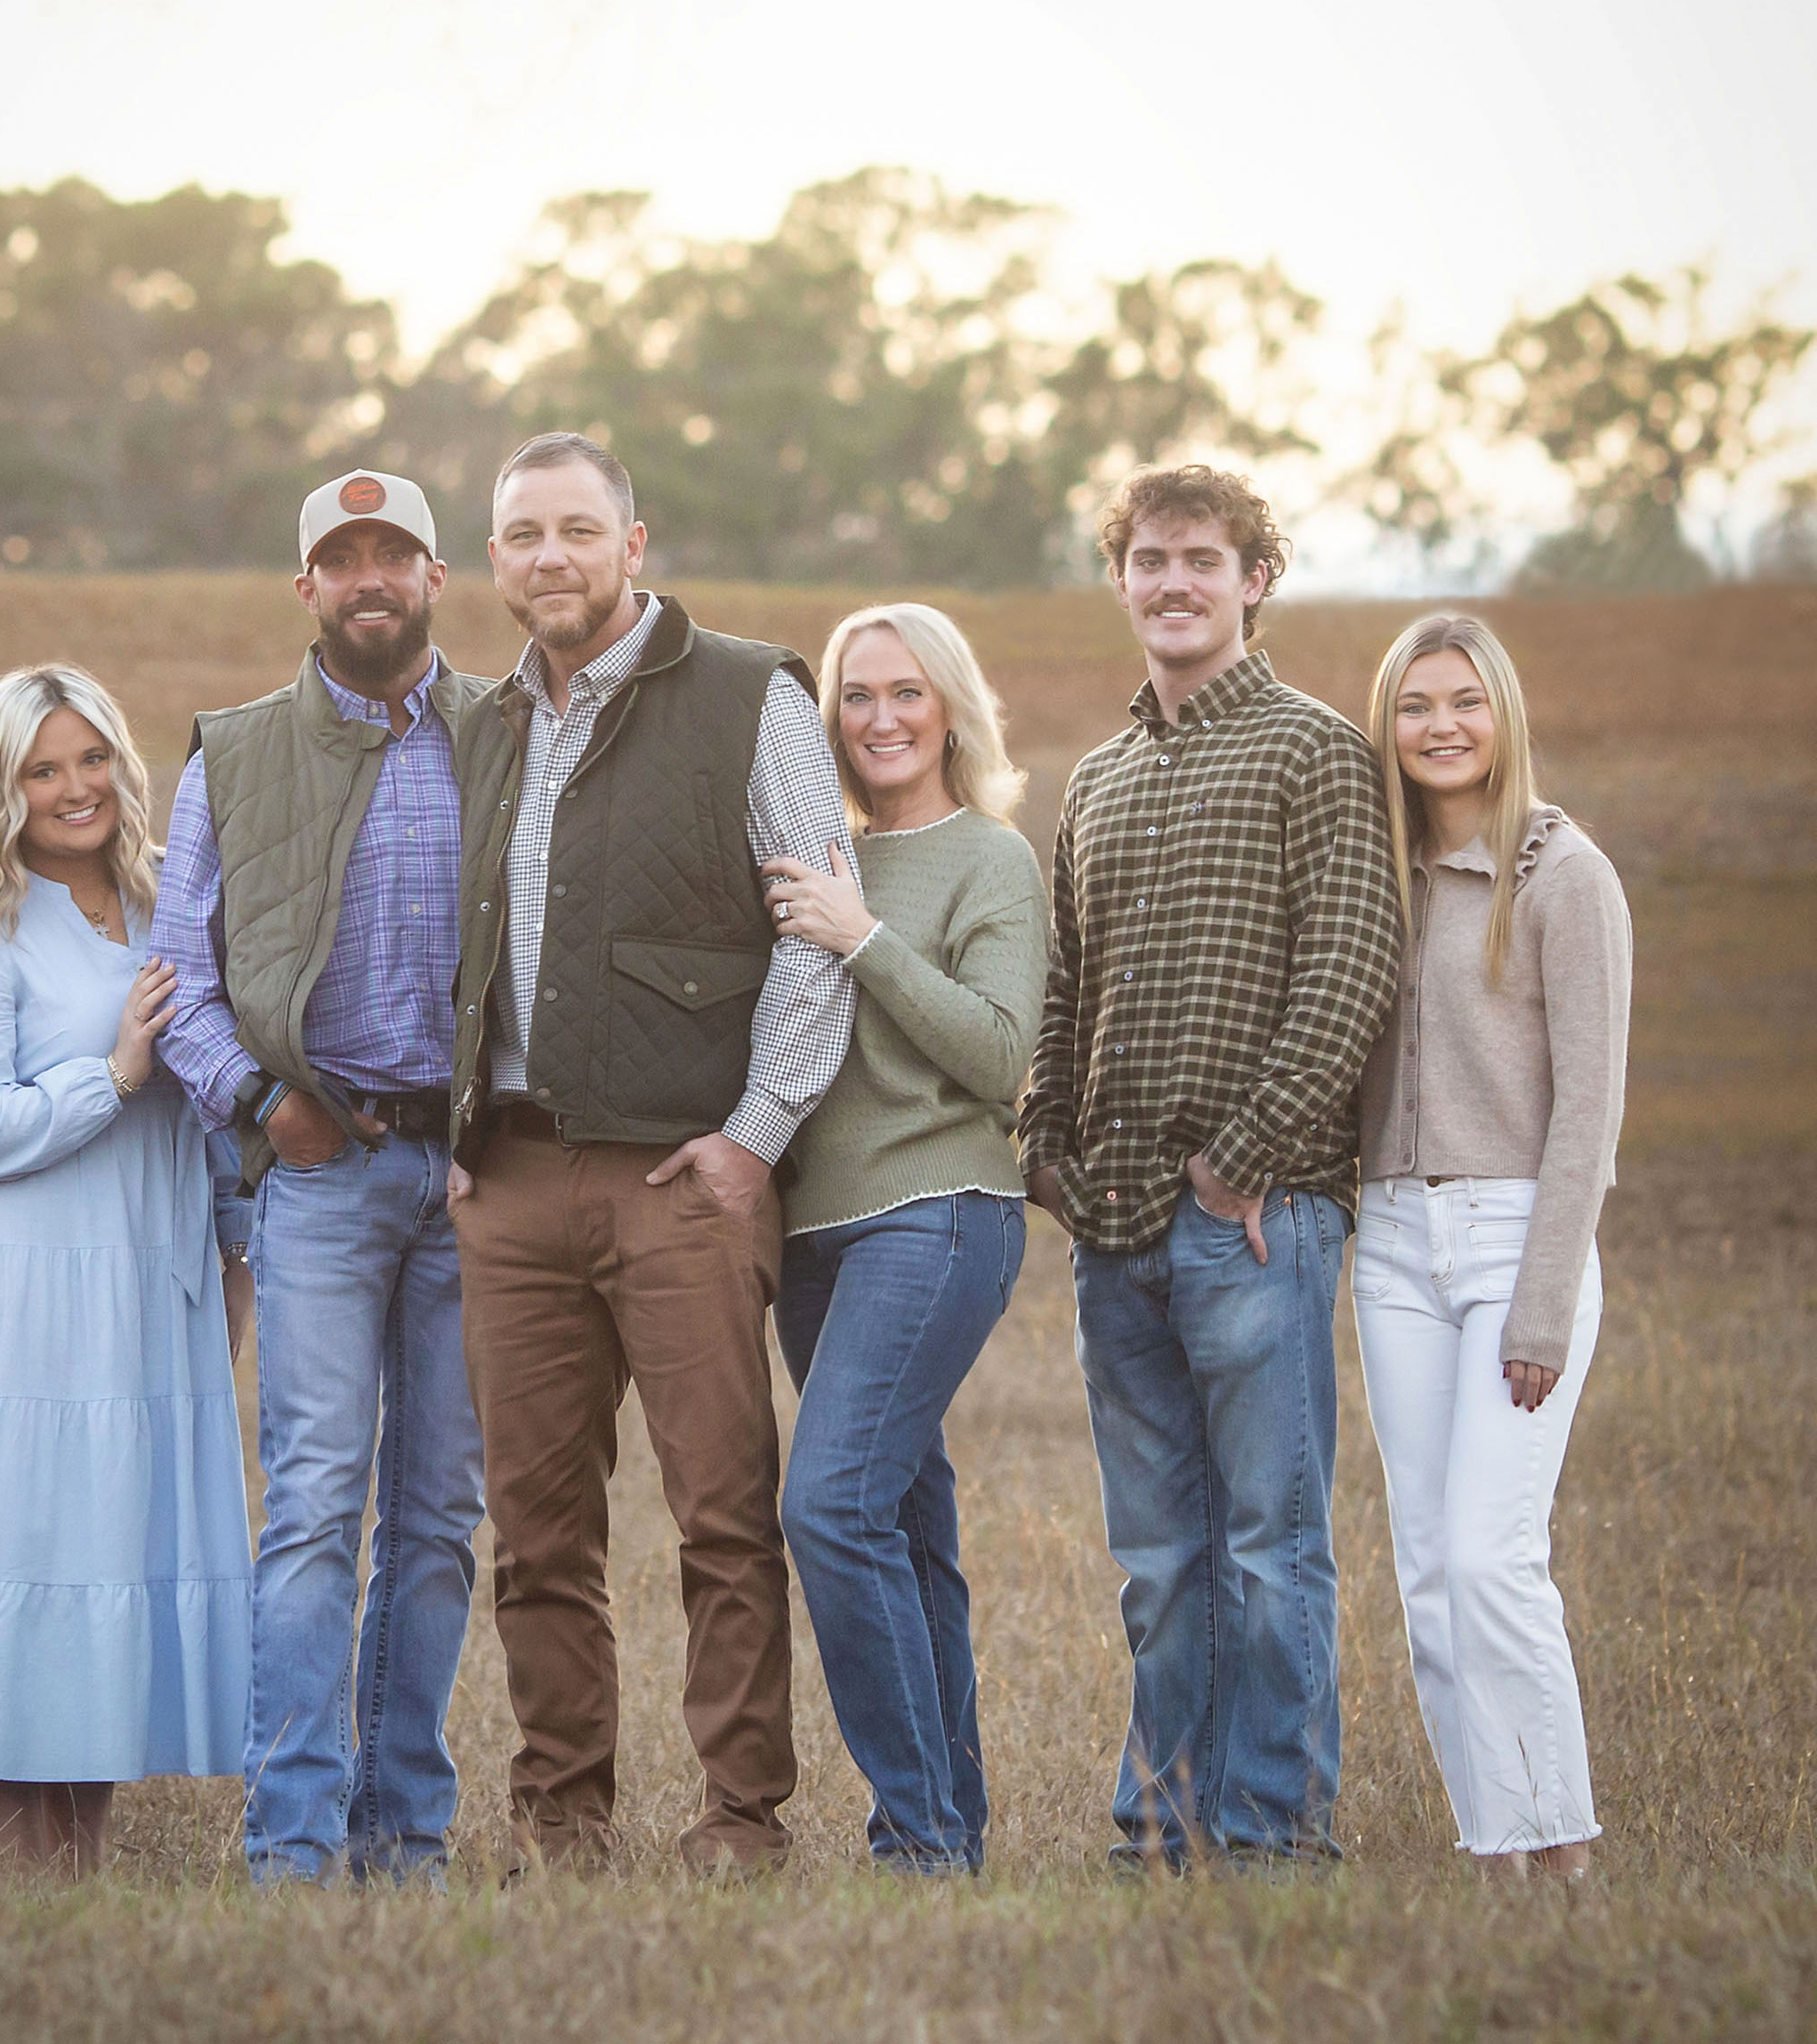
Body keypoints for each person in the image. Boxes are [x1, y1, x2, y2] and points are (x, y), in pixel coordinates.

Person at [445, 432, 857, 1876]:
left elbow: (818, 917)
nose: (550, 556)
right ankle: (561, 1820)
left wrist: (753, 1139)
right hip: (507, 1180)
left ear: (633, 544)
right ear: (495, 560)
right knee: (535, 1531)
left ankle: (741, 1818)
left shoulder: (749, 692)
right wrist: (449, 1115)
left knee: (723, 1516)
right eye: (523, 534)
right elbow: (447, 937)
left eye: (577, 529)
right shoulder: (482, 722)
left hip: (682, 1180)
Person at [1018, 465, 1402, 1869]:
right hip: (1113, 1222)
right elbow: (1066, 985)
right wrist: (1045, 1149)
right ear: (1122, 578)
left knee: (1269, 1546)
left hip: (1255, 1218)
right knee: (1162, 1562)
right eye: (1150, 559)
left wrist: (1239, 1166)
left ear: (1255, 579)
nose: (1173, 583)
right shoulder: (1100, 778)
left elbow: (1355, 966)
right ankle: (1162, 1827)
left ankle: (1271, 1835)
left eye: (1202, 559)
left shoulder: (1316, 752)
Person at [150, 470, 488, 1887]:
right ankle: (291, 1847)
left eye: (393, 553)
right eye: (341, 558)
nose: (370, 578)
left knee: (439, 1516)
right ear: (306, 587)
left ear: (435, 575)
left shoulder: (507, 733)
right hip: (322, 1170)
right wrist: (258, 1099)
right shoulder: (231, 756)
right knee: (311, 1510)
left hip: (474, 1179)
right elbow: (177, 982)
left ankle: (402, 1838)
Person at [0, 665, 253, 1875]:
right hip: (26, 1293)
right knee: (24, 1562)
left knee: (105, 1568)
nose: (74, 787)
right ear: (4, 786)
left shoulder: (169, 902)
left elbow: (219, 1096)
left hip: (149, 1285)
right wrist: (117, 1073)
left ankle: (79, 1879)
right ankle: (23, 1882)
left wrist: (233, 1255)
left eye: (92, 759)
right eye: (43, 768)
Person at [758, 603, 1046, 1876]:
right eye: (857, 695)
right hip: (812, 1241)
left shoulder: (991, 858)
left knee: (828, 1505)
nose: (880, 718)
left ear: (950, 709)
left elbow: (999, 1052)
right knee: (906, 1529)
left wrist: (862, 938)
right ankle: (952, 1836)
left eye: (906, 692)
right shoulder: (812, 858)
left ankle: (914, 1834)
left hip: (938, 1214)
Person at [1354, 613, 1630, 1879]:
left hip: (1518, 1238)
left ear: (1503, 714)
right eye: (1416, 706)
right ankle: (1499, 1858)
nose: (1441, 726)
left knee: (1490, 1553)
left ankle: (1565, 1852)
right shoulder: (1376, 872)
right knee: (1427, 1569)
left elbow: (1591, 1109)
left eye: (1464, 701)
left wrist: (1543, 1304)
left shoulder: (1565, 875)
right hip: (1391, 1242)